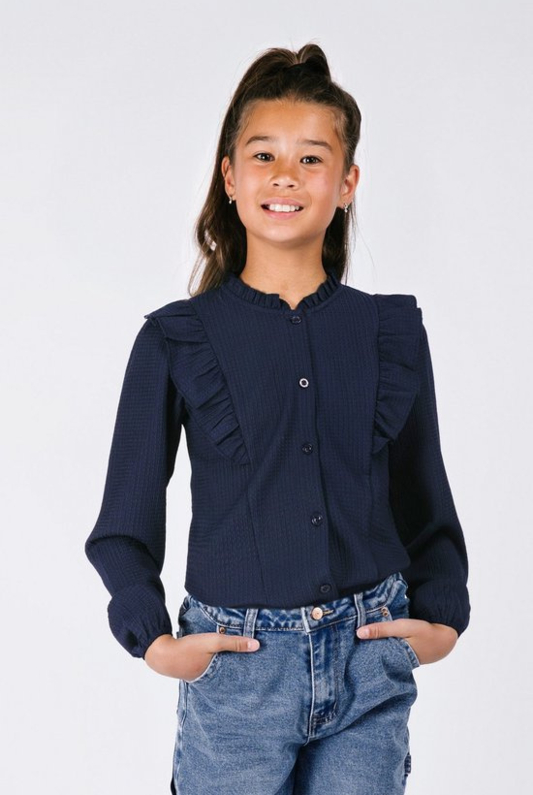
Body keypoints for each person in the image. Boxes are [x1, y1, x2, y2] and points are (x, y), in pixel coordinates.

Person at [85, 42, 471, 795]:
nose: (285, 175)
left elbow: (425, 499)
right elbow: (123, 522)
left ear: (347, 182)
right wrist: (155, 641)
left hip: (369, 656)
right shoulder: (175, 338)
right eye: (263, 155)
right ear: (230, 177)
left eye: (311, 158)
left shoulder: (390, 332)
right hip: (237, 668)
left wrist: (442, 621)